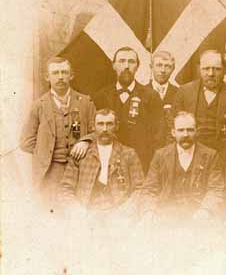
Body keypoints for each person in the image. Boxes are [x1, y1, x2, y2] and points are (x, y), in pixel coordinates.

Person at [20, 57, 96, 206]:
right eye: (55, 73)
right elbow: (26, 142)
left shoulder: (86, 102)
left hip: (79, 169)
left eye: (64, 72)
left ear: (71, 75)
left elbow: (98, 131)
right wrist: (46, 150)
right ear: (47, 77)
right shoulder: (39, 106)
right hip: (50, 172)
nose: (60, 77)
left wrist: (86, 141)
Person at [138, 111, 224, 220]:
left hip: (199, 214)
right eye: (181, 130)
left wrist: (206, 210)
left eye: (190, 130)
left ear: (196, 131)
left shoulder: (211, 155)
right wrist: (149, 211)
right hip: (166, 214)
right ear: (173, 132)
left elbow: (216, 189)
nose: (185, 134)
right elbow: (149, 189)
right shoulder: (161, 155)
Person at [93, 46, 163, 172]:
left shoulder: (151, 96)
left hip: (142, 163)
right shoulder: (100, 96)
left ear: (137, 66)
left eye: (131, 62)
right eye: (121, 61)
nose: (126, 66)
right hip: (107, 162)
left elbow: (158, 136)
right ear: (113, 65)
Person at [60, 109, 145, 213]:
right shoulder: (81, 153)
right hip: (86, 211)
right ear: (93, 126)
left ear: (116, 126)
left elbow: (140, 188)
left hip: (118, 212)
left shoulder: (129, 154)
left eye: (109, 124)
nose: (105, 129)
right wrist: (77, 211)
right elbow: (66, 188)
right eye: (100, 124)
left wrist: (126, 210)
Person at [173, 50, 226, 163]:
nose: (211, 73)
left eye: (216, 69)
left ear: (224, 70)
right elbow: (172, 124)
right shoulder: (184, 92)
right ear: (199, 69)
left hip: (222, 156)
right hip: (188, 154)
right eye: (206, 69)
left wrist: (222, 158)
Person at [146, 50, 180, 145]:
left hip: (171, 146)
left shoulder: (180, 93)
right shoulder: (140, 92)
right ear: (151, 67)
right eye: (159, 65)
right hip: (147, 148)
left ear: (173, 69)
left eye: (168, 66)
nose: (163, 70)